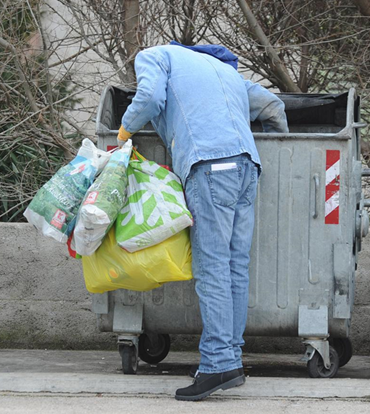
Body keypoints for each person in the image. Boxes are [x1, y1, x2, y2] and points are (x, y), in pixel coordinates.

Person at [117, 42, 288, 401]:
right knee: (234, 267)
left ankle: (216, 365)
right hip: (246, 166)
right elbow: (273, 106)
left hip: (209, 165)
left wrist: (124, 132)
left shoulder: (155, 56)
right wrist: (276, 139)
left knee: (212, 269)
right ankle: (232, 360)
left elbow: (148, 99)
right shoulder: (226, 71)